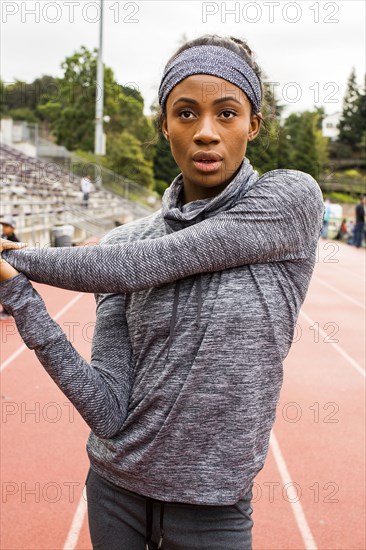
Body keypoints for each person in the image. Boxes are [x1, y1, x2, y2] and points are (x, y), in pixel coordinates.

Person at [0, 35, 324, 550]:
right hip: (114, 494)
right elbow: (106, 410)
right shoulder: (121, 247)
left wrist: (15, 258)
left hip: (212, 509)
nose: (207, 133)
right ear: (164, 124)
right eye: (187, 114)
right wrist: (18, 293)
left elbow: (151, 262)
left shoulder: (290, 201)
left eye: (227, 113)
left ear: (253, 124)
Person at [0, 215, 19, 320]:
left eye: (6, 226)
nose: (4, 228)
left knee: (8, 292)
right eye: (3, 226)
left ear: (13, 228)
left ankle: (8, 311)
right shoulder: (3, 237)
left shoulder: (14, 241)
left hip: (9, 269)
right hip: (2, 267)